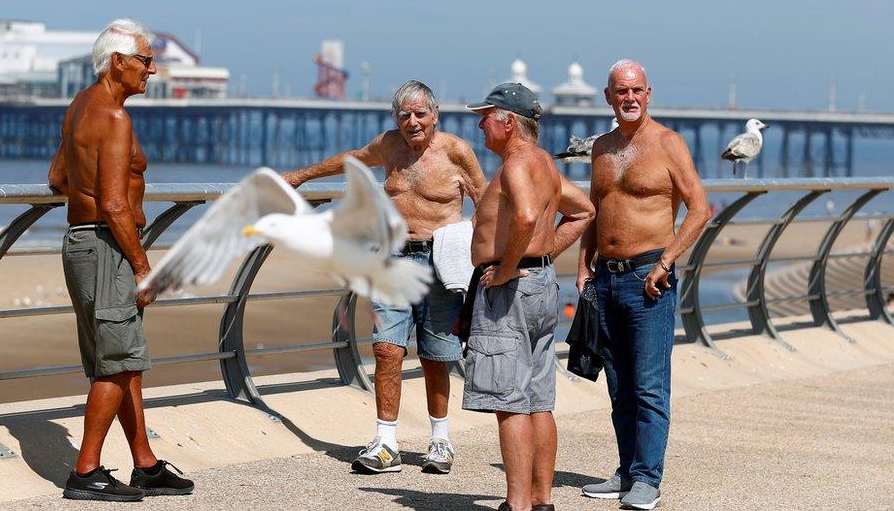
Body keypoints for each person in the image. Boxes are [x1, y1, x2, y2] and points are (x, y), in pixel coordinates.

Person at [281, 80, 486, 474]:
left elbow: (487, 200)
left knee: (435, 355)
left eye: (420, 114)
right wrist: (302, 175)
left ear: (435, 115)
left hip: (441, 262)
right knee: (386, 349)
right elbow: (354, 159)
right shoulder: (389, 144)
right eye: (404, 114)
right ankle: (386, 442)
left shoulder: (456, 151)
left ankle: (440, 440)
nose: (412, 122)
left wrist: (470, 247)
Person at [48, 19, 193, 501]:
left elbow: (56, 177)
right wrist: (141, 266)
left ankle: (145, 464)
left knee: (120, 359)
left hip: (84, 245)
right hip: (108, 246)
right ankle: (85, 471)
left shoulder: (79, 107)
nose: (152, 70)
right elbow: (113, 204)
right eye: (147, 60)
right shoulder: (113, 117)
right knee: (116, 362)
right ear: (119, 61)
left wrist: (86, 198)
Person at [576, 60, 710, 510]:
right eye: (621, 91)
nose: (629, 98)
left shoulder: (667, 143)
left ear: (648, 93)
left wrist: (667, 261)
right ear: (608, 96)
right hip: (607, 279)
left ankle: (648, 480)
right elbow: (596, 210)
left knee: (649, 385)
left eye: (637, 90)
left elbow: (699, 210)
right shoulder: (601, 148)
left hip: (648, 277)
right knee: (618, 383)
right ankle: (628, 471)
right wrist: (583, 267)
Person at [464, 82, 585, 511]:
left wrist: (512, 266)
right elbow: (584, 210)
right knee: (538, 400)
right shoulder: (544, 164)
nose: (480, 124)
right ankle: (542, 501)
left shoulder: (517, 163)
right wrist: (544, 253)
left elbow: (529, 215)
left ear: (508, 121)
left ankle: (516, 505)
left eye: (486, 116)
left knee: (508, 400)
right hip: (542, 287)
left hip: (512, 291)